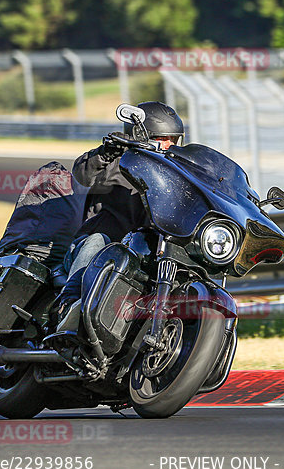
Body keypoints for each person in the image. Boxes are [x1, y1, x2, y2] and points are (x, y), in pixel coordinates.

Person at [53, 101, 185, 327]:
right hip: (98, 249)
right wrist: (105, 153)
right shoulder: (117, 161)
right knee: (97, 241)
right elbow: (82, 174)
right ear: (144, 136)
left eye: (173, 140)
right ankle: (69, 305)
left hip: (142, 255)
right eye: (163, 139)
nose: (168, 145)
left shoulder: (175, 176)